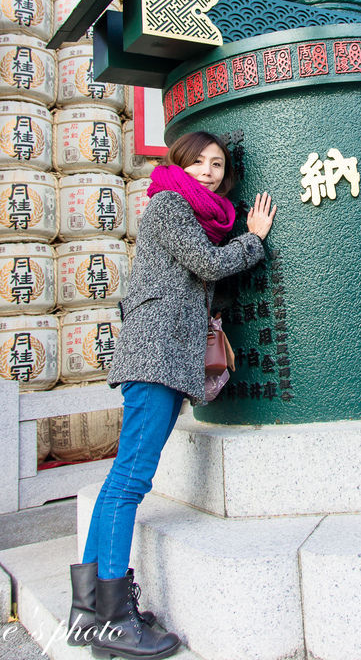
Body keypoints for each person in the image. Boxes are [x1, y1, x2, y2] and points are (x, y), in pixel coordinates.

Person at [67, 131, 276, 660]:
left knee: (122, 478)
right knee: (129, 482)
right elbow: (208, 264)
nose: (208, 170)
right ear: (179, 162)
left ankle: (89, 612)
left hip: (161, 358)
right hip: (155, 358)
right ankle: (115, 619)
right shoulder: (168, 205)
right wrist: (254, 238)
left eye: (218, 163)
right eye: (199, 160)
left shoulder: (189, 211)